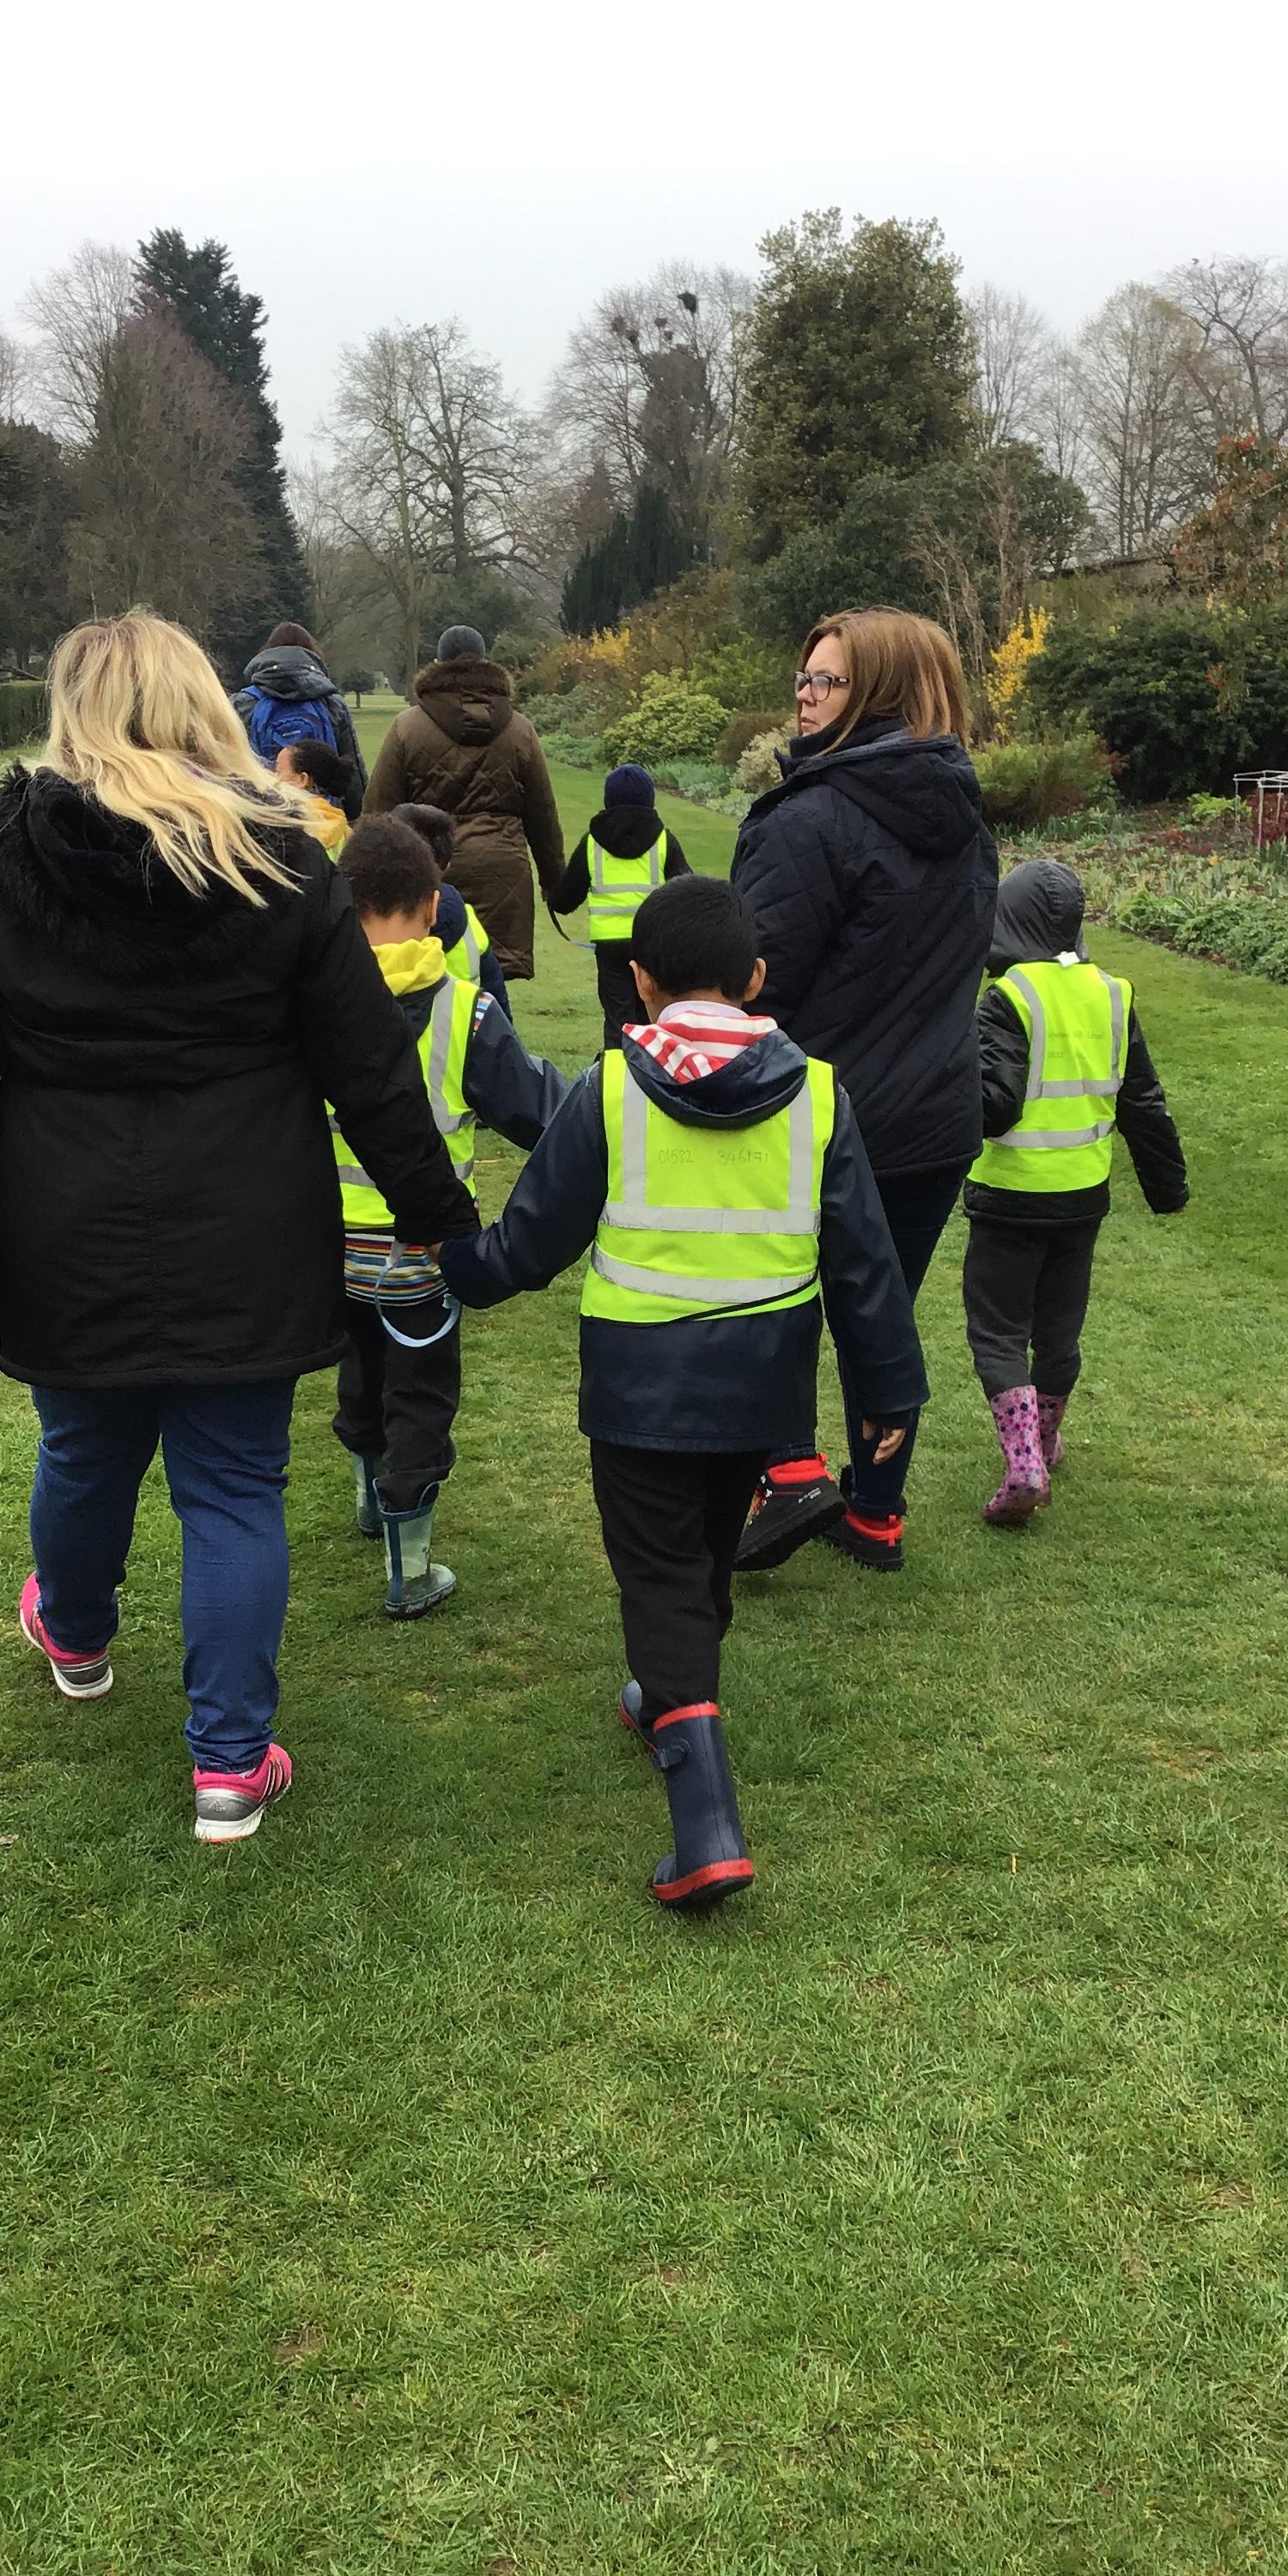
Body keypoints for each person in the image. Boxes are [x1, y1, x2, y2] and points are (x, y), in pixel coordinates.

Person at [0, 611, 477, 1846]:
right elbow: (370, 1067)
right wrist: (442, 1219)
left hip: (79, 1216)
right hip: (237, 1214)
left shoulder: (238, 859)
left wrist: (435, 1215)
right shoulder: (261, 857)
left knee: (93, 1449)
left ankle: (87, 1639)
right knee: (225, 1482)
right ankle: (221, 1755)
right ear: (202, 708)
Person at [440, 878, 926, 1912]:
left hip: (639, 1389)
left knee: (660, 1574)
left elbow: (530, 1242)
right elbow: (865, 1266)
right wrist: (889, 1394)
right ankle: (663, 1692)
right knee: (702, 1554)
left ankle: (705, 1826)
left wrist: (456, 1265)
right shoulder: (821, 1094)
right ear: (755, 979)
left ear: (639, 980)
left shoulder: (610, 1091)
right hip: (763, 1388)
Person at [728, 608, 998, 1577]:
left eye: (827, 681)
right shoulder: (966, 820)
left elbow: (754, 979)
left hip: (823, 1115)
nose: (804, 698)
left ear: (880, 692)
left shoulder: (807, 820)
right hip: (934, 1115)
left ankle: (792, 1473)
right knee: (881, 1312)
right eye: (804, 678)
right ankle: (875, 1510)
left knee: (773, 1301)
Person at [328, 816, 570, 1613]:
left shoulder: (308, 1003)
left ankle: (368, 1495)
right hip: (422, 1252)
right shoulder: (466, 1012)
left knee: (361, 1373)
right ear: (434, 907)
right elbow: (542, 1114)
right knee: (421, 1395)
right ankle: (409, 1567)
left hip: (326, 1251)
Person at [964, 857, 1188, 1524]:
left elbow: (996, 1107)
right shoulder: (1112, 994)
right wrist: (1167, 1187)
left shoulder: (1009, 997)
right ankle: (1047, 1438)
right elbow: (1142, 1101)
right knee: (1059, 1329)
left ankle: (1024, 1463)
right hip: (1082, 1198)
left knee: (998, 1331)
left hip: (1010, 1196)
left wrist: (952, 1076)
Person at [363, 625, 565, 980]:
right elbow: (542, 813)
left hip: (432, 866)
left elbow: (379, 808)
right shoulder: (520, 729)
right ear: (485, 661)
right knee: (493, 980)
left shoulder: (407, 727)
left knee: (431, 975)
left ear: (438, 663)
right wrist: (553, 879)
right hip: (502, 868)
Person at [547, 762, 693, 1046]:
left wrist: (552, 897)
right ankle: (650, 1067)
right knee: (652, 1016)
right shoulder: (664, 840)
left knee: (618, 1020)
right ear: (650, 799)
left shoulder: (592, 843)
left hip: (610, 947)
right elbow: (686, 892)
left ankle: (616, 1067)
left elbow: (565, 900)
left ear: (608, 799)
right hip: (652, 944)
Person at [390, 799, 513, 1020]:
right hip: (459, 1037)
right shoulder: (470, 928)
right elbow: (500, 1013)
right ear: (447, 867)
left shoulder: (363, 921)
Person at [231, 622, 365, 806]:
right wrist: (355, 812)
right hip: (322, 815)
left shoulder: (242, 703)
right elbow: (352, 772)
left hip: (263, 813)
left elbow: (227, 767)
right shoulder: (331, 702)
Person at [271, 737, 355, 854]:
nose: (274, 777)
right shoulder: (346, 833)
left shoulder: (284, 829)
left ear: (302, 779)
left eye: (278, 771)